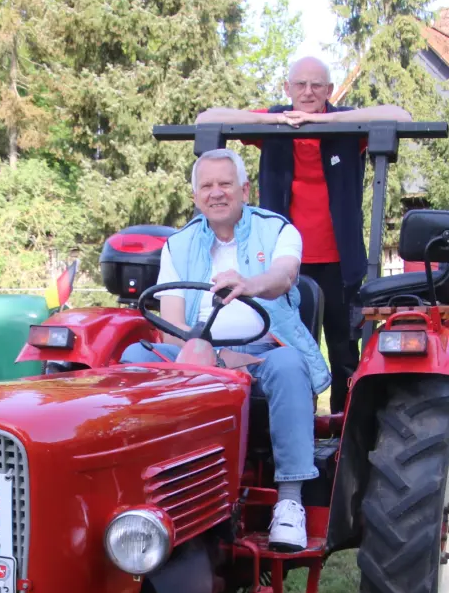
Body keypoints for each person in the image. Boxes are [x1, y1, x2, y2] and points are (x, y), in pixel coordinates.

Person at [121, 149, 329, 552]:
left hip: (263, 351)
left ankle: (289, 502)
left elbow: (284, 276)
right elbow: (173, 323)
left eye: (225, 184)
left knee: (288, 364)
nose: (216, 193)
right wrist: (199, 353)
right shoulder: (177, 246)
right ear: (196, 196)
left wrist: (248, 284)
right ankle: (140, 491)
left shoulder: (279, 230)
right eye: (207, 186)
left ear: (244, 190)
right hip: (196, 352)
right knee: (133, 362)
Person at [197, 56, 412, 414]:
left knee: (344, 353)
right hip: (281, 267)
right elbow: (207, 119)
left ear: (329, 90)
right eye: (300, 85)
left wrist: (323, 120)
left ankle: (346, 431)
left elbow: (401, 116)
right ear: (288, 89)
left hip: (339, 264)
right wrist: (276, 121)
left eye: (317, 86)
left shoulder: (346, 127)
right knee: (290, 350)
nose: (308, 93)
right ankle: (298, 425)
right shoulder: (276, 126)